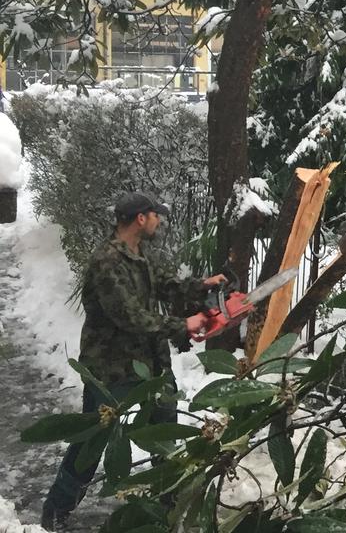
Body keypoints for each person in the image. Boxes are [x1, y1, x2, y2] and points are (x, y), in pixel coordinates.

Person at [40, 191, 225, 530]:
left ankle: (169, 500)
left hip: (152, 363)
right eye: (156, 215)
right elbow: (129, 316)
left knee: (164, 429)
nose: (159, 221)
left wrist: (201, 287)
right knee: (94, 436)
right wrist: (181, 325)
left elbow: (168, 285)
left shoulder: (141, 254)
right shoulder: (106, 262)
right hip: (111, 368)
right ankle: (57, 508)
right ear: (141, 218)